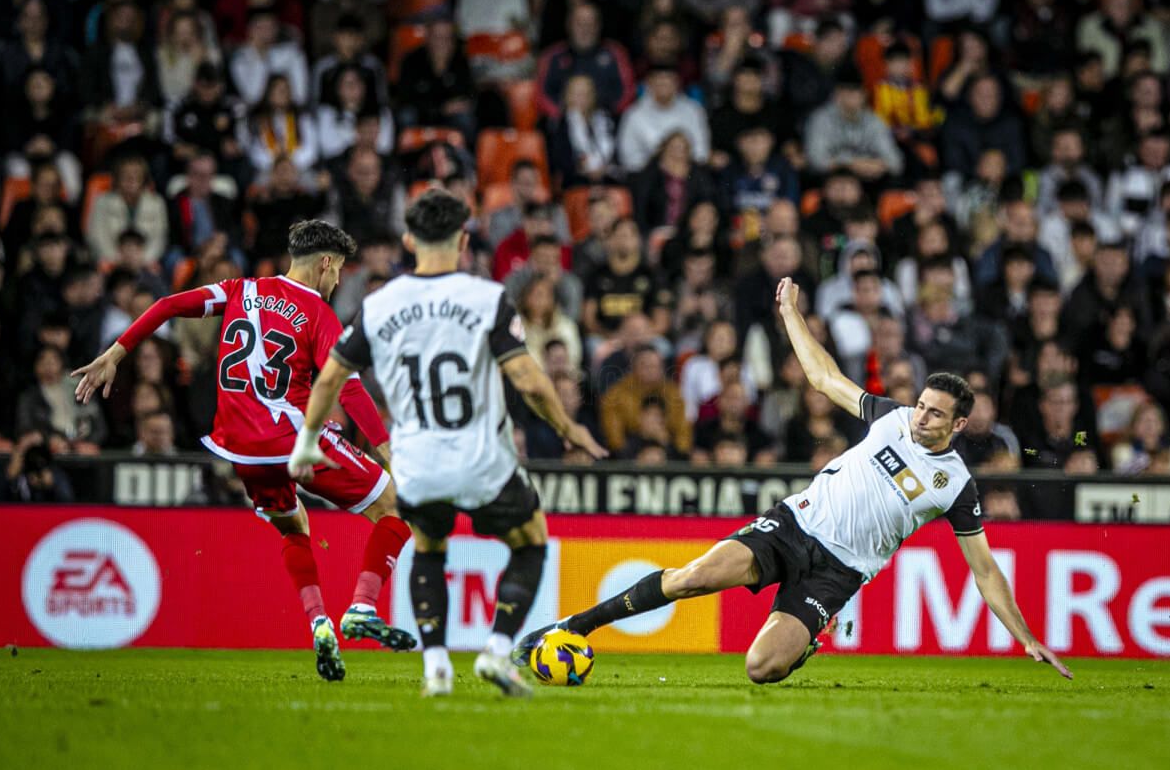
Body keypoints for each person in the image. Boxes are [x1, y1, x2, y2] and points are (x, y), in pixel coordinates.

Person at [514, 277, 1073, 685]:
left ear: (958, 424)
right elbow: (824, 376)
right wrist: (790, 315)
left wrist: (1024, 636)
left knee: (762, 668)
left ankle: (804, 645)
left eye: (933, 413)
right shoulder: (891, 417)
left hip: (838, 572)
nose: (920, 416)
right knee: (691, 579)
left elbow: (985, 570)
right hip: (793, 524)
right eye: (921, 405)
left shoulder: (955, 485)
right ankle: (574, 625)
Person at [290, 190, 606, 697]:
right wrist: (569, 428)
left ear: (410, 239)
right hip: (483, 460)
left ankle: (436, 665)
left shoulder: (379, 304)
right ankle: (498, 652)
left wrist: (307, 440)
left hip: (417, 463)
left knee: (430, 549)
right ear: (463, 239)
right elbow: (526, 377)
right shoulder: (487, 298)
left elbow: (330, 378)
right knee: (530, 542)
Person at [72, 220, 417, 682]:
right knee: (395, 506)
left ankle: (319, 624)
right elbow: (347, 388)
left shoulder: (240, 290)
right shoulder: (317, 313)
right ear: (327, 264)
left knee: (294, 527)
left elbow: (169, 304)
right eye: (338, 273)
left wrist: (116, 352)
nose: (337, 283)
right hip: (292, 439)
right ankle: (362, 608)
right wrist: (385, 449)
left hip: (239, 450)